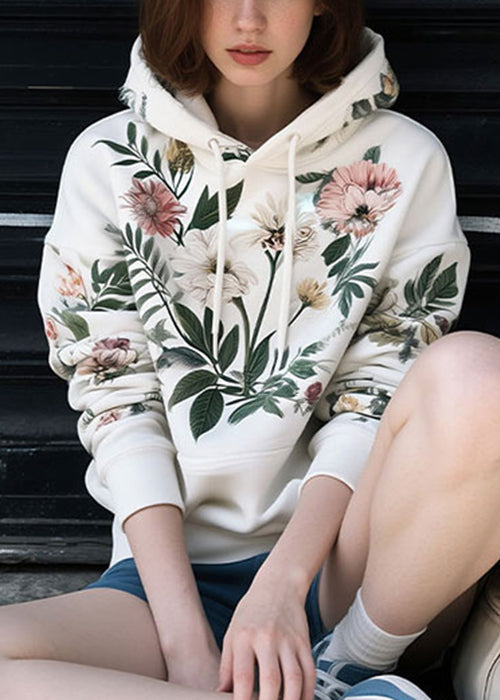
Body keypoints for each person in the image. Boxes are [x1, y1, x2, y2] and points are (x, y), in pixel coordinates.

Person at [1, 0, 499, 699]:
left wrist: (284, 586)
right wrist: (186, 646)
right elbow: (118, 403)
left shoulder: (405, 158)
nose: (248, 18)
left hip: (354, 574)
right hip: (169, 582)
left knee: (479, 375)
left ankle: (345, 671)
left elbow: (377, 392)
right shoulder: (108, 158)